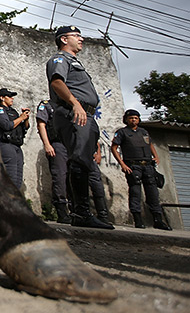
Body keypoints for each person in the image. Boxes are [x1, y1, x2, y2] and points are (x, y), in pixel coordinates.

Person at [46, 25, 113, 229]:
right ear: (64, 39)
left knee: (84, 161)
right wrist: (75, 104)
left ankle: (82, 212)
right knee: (79, 159)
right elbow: (57, 83)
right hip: (74, 112)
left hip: (85, 114)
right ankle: (81, 212)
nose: (81, 39)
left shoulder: (75, 62)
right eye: (77, 36)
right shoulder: (59, 59)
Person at [110, 109, 171, 230]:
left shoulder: (143, 132)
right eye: (131, 118)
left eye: (136, 118)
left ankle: (158, 220)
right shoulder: (122, 132)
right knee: (135, 193)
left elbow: (150, 144)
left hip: (148, 166)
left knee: (153, 193)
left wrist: (156, 156)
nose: (133, 120)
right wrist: (122, 164)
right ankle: (138, 220)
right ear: (126, 119)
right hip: (133, 166)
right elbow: (114, 148)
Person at [35, 99, 71, 223]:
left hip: (71, 146)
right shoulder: (47, 105)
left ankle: (77, 211)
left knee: (74, 178)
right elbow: (41, 124)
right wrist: (47, 144)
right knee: (60, 177)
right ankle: (62, 212)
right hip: (57, 144)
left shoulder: (69, 105)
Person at [0, 88, 30, 189]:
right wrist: (21, 118)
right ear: (2, 98)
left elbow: (24, 127)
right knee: (11, 177)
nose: (12, 98)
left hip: (17, 146)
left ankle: (14, 202)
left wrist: (25, 118)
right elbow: (6, 125)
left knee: (18, 179)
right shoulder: (0, 110)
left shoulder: (13, 112)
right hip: (6, 145)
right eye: (9, 96)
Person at [89, 142, 111, 224]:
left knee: (98, 188)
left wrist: (98, 153)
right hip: (77, 157)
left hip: (90, 159)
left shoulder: (91, 128)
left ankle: (103, 215)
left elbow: (95, 139)